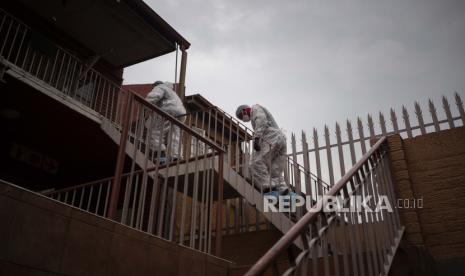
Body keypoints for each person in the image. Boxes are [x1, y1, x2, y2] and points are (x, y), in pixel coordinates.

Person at [236, 104, 289, 194]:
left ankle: (267, 186)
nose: (243, 119)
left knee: (255, 162)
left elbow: (261, 121)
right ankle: (283, 189)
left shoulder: (255, 108)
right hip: (281, 139)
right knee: (274, 169)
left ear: (244, 110)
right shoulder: (256, 114)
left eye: (241, 116)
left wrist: (256, 138)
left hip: (271, 136)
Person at [145, 81, 186, 162]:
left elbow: (153, 96)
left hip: (168, 109)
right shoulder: (173, 93)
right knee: (175, 135)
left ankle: (160, 154)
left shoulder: (160, 87)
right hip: (181, 113)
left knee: (155, 131)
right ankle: (175, 157)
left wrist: (145, 105)